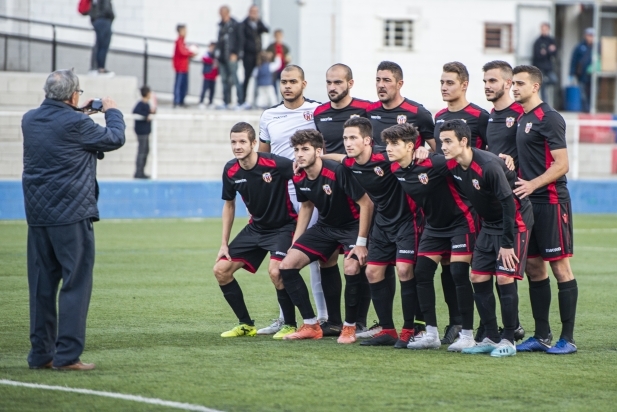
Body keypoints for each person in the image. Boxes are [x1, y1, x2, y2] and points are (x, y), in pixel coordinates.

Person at [21, 69, 125, 370]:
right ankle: (67, 356)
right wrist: (113, 111)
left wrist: (78, 110)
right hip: (71, 213)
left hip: (38, 216)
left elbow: (59, 126)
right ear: (73, 95)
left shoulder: (30, 119)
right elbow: (114, 138)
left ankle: (41, 354)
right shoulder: (77, 123)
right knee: (75, 284)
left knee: (41, 286)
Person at [323, 117, 426, 348]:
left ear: (367, 141)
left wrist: (422, 151)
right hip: (382, 224)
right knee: (372, 273)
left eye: (353, 138)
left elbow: (409, 155)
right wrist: (317, 156)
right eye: (345, 138)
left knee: (404, 270)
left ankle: (410, 329)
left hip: (407, 221)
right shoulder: (349, 164)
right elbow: (341, 158)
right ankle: (387, 330)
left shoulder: (386, 156)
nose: (347, 143)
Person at [438, 120, 533, 358]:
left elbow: (508, 204)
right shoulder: (453, 165)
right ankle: (490, 335)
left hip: (514, 222)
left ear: (463, 141)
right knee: (477, 275)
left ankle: (509, 339)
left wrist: (507, 244)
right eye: (441, 142)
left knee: (503, 278)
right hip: (489, 225)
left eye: (448, 141)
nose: (444, 146)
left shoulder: (488, 165)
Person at [383, 123, 478, 352]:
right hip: (434, 227)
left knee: (458, 273)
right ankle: (431, 334)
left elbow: (469, 162)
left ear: (410, 146)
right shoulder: (396, 168)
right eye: (387, 143)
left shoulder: (434, 162)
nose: (388, 148)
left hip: (460, 221)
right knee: (422, 273)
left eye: (394, 144)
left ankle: (467, 334)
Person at [279, 129, 374, 343]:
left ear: (319, 151)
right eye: (296, 150)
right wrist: (296, 242)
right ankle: (311, 324)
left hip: (353, 225)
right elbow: (306, 205)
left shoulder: (337, 171)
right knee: (286, 266)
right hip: (325, 226)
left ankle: (349, 328)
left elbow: (366, 203)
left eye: (305, 149)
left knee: (350, 266)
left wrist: (361, 242)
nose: (299, 154)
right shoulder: (298, 175)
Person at [258, 65, 330, 335]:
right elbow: (263, 158)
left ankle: (322, 316)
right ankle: (285, 318)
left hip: (311, 190)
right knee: (283, 258)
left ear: (304, 84)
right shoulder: (268, 115)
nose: (287, 86)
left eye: (293, 81)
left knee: (313, 256)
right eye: (283, 81)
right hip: (282, 196)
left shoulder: (317, 111)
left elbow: (327, 145)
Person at [512, 65, 579, 355]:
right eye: (512, 83)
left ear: (535, 86)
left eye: (520, 83)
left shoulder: (549, 118)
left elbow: (562, 164)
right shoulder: (521, 118)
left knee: (560, 267)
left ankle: (568, 339)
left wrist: (532, 184)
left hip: (551, 202)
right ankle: (541, 336)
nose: (514, 88)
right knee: (533, 267)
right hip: (530, 204)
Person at [214, 122, 299, 340]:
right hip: (256, 228)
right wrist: (224, 243)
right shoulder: (230, 169)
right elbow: (229, 205)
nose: (237, 146)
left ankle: (290, 324)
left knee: (276, 271)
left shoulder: (275, 163)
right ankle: (245, 324)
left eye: (242, 141)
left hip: (283, 226)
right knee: (221, 270)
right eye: (233, 142)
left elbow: (303, 171)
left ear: (254, 143)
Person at [312, 63, 374, 336]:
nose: (332, 87)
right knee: (326, 258)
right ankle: (334, 320)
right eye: (328, 82)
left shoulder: (366, 109)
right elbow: (317, 149)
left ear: (350, 83)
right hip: (329, 192)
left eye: (338, 82)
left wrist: (341, 159)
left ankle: (359, 320)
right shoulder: (319, 113)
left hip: (361, 191)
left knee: (360, 258)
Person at [433, 61, 489, 345]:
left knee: (473, 268)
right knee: (447, 266)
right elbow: (438, 156)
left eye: (450, 83)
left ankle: (485, 326)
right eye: (442, 82)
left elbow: (489, 155)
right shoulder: (439, 115)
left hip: (472, 203)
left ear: (464, 85)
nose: (444, 87)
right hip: (446, 204)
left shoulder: (479, 116)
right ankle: (456, 322)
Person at [482, 60, 526, 343]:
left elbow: (532, 149)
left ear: (508, 84)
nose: (487, 86)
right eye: (485, 81)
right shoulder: (489, 116)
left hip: (519, 201)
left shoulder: (521, 114)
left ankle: (522, 329)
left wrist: (516, 164)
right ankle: (500, 328)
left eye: (493, 81)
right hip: (492, 203)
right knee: (489, 271)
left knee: (520, 270)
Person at [367, 61, 435, 149]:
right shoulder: (370, 110)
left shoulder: (418, 112)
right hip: (377, 163)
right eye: (378, 80)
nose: (380, 85)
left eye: (387, 80)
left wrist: (423, 152)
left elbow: (437, 149)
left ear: (399, 84)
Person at [216, 6, 245, 109]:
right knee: (224, 80)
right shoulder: (220, 25)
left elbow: (240, 40)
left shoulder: (235, 24)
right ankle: (226, 101)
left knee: (234, 79)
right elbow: (219, 42)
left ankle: (240, 102)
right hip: (222, 58)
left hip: (232, 56)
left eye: (222, 12)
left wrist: (236, 54)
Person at [242, 5, 269, 106]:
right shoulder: (244, 24)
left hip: (258, 55)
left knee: (260, 77)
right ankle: (243, 99)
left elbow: (266, 29)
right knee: (247, 76)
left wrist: (259, 20)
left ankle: (258, 100)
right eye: (252, 12)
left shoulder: (258, 23)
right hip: (248, 55)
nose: (254, 13)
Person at [570, 28, 595, 113]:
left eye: (592, 36)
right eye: (589, 35)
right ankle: (586, 109)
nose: (590, 38)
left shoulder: (596, 47)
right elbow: (574, 60)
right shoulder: (580, 47)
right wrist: (572, 72)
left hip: (593, 75)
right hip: (582, 75)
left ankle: (591, 108)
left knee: (592, 92)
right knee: (583, 93)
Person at [133, 85, 155, 179]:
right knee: (142, 150)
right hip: (141, 131)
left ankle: (142, 171)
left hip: (146, 131)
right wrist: (146, 115)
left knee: (146, 150)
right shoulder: (140, 104)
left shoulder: (147, 104)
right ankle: (138, 172)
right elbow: (135, 111)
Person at [532, 23, 558, 104]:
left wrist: (547, 51)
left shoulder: (551, 40)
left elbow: (554, 53)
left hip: (548, 67)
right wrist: (549, 51)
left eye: (545, 29)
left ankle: (545, 82)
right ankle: (544, 103)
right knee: (542, 87)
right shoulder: (538, 41)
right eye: (542, 29)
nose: (544, 31)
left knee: (554, 80)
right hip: (539, 67)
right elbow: (538, 55)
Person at [173, 24, 197, 108]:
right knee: (179, 85)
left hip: (185, 67)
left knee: (184, 85)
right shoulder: (178, 41)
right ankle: (177, 101)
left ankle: (182, 101)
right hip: (180, 67)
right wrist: (191, 53)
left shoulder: (183, 42)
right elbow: (182, 52)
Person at [88, 0, 114, 76]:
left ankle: (96, 67)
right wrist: (111, 17)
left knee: (99, 45)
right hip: (103, 20)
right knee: (102, 46)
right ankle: (100, 68)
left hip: (98, 20)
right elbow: (107, 10)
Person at [266, 30, 291, 94]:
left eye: (279, 36)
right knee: (273, 85)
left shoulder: (285, 47)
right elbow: (265, 56)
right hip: (274, 69)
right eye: (277, 36)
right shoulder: (270, 47)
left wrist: (287, 60)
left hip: (283, 69)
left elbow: (288, 57)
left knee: (284, 85)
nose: (278, 38)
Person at [198, 42, 218, 109]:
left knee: (212, 90)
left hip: (213, 76)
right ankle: (201, 102)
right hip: (207, 76)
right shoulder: (207, 54)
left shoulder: (216, 55)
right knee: (204, 89)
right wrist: (212, 61)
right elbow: (204, 59)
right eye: (211, 47)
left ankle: (211, 102)